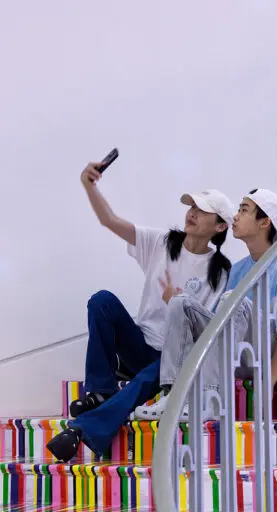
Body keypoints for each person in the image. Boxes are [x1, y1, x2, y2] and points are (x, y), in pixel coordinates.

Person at [46, 160, 235, 462]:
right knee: (102, 301)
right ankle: (101, 392)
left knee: (146, 380)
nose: (192, 213)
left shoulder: (219, 271)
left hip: (174, 360)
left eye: (201, 210)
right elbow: (109, 220)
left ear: (220, 226)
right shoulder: (161, 243)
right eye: (191, 207)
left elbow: (206, 331)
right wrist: (89, 185)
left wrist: (179, 301)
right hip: (140, 345)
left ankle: (80, 430)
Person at [134, 188, 277, 420]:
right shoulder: (238, 269)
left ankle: (209, 398)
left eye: (244, 210)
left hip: (274, 360)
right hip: (240, 355)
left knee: (233, 300)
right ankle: (174, 392)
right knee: (181, 303)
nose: (236, 216)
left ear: (265, 222)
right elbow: (212, 328)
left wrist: (268, 381)